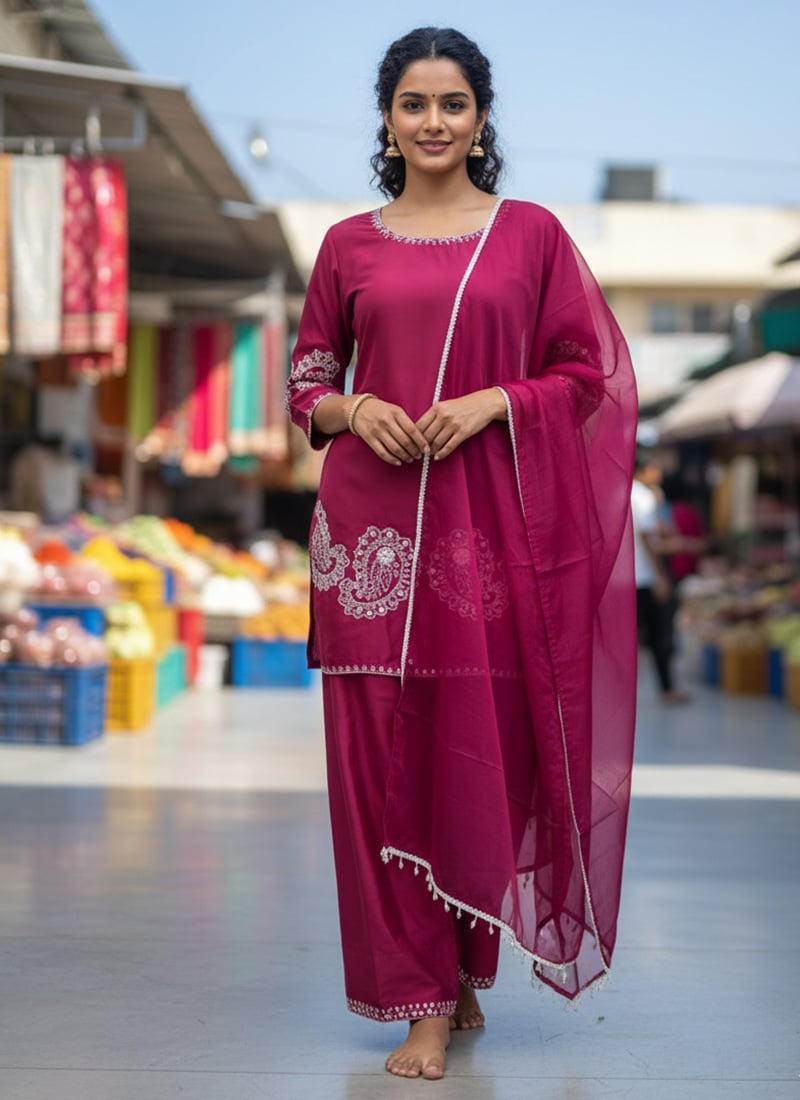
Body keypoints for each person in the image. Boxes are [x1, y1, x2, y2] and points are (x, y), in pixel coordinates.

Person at [286, 27, 638, 1081]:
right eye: (411, 103)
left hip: (484, 537)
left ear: (480, 118)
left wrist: (495, 399)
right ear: (385, 121)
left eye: (451, 103)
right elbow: (306, 374)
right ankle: (416, 1001)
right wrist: (351, 408)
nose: (431, 121)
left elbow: (589, 371)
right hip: (367, 542)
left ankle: (463, 958)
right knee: (370, 767)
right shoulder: (347, 243)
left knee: (475, 758)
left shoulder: (528, 237)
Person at [631, 455, 690, 703]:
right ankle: (666, 688)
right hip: (644, 576)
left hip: (627, 576)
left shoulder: (627, 491)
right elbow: (646, 537)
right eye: (656, 467)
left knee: (634, 637)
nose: (660, 472)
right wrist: (660, 576)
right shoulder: (642, 497)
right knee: (659, 635)